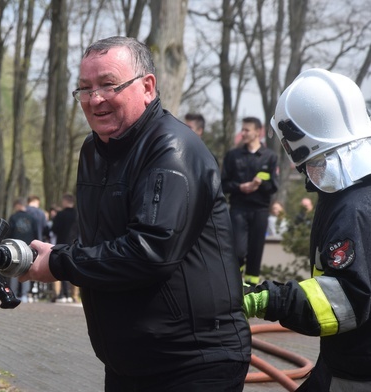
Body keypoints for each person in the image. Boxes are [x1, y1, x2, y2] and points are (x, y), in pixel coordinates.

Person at [21, 36, 250, 391]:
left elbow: (150, 252)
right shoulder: (94, 151)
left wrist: (59, 263)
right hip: (131, 362)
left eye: (108, 85)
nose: (95, 99)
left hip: (193, 363)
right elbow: (99, 241)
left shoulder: (172, 150)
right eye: (84, 88)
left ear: (147, 87)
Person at [244, 68, 371, 391]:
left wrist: (266, 299)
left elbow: (345, 301)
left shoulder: (352, 206)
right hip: (342, 362)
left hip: (356, 372)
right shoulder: (354, 189)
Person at [221, 116, 279, 286]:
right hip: (238, 209)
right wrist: (240, 187)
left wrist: (260, 184)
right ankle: (232, 285)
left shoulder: (269, 157)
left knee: (255, 253)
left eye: (247, 130)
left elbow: (274, 186)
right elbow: (223, 184)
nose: (243, 133)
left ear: (258, 132)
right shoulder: (233, 155)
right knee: (237, 251)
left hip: (260, 211)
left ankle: (250, 290)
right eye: (242, 129)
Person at [6, 198, 38, 303]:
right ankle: (25, 294)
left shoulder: (13, 217)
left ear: (17, 205)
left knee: (14, 269)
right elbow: (36, 232)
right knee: (26, 269)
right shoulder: (32, 218)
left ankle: (14, 293)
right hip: (28, 247)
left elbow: (9, 232)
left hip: (16, 247)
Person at [50, 193, 78, 303]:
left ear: (65, 201)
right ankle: (74, 295)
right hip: (74, 244)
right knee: (74, 269)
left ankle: (59, 294)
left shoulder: (60, 215)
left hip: (61, 244)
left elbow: (54, 229)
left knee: (59, 268)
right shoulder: (78, 214)